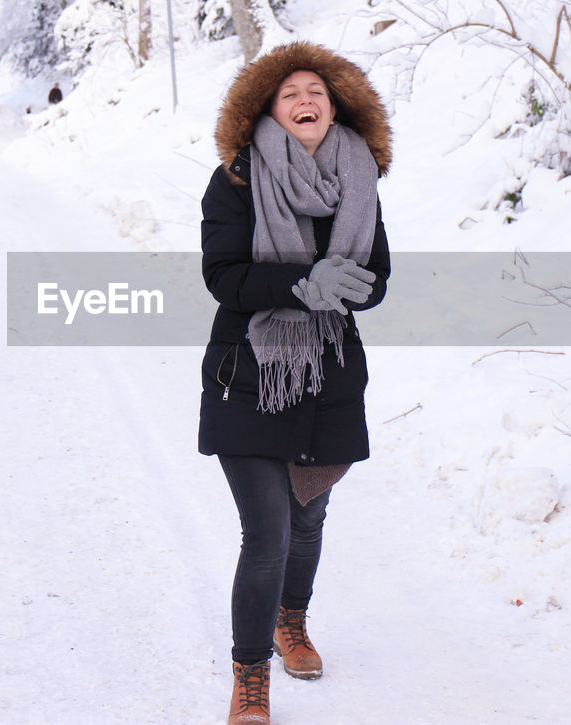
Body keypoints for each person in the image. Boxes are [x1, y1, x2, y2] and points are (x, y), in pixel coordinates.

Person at [198, 41, 392, 724]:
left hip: (329, 371)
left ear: (335, 104)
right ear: (268, 110)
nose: (306, 100)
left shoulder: (358, 176)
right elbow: (223, 276)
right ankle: (250, 676)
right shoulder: (237, 180)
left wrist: (350, 288)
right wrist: (302, 283)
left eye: (317, 90)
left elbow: (378, 278)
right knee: (269, 532)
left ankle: (292, 620)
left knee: (310, 517)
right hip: (249, 371)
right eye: (291, 93)